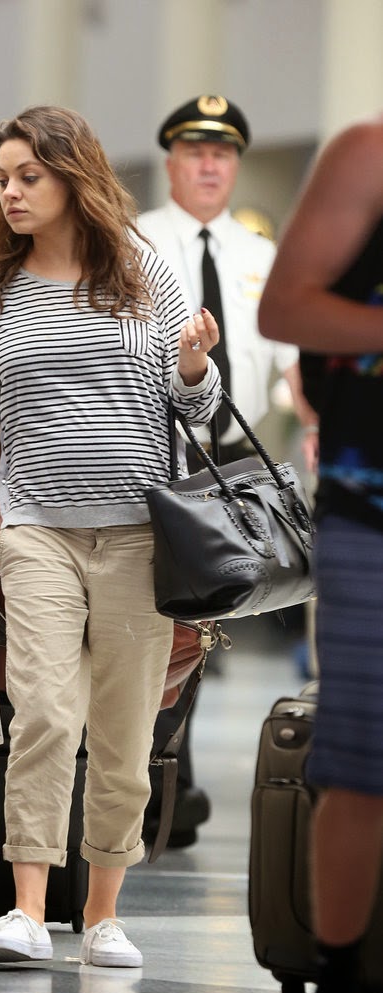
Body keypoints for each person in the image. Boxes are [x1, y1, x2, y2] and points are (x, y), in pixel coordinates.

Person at [0, 105, 222, 967]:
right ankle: (26, 909)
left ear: (72, 179)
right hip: (37, 534)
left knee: (123, 737)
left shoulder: (141, 273)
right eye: (2, 180)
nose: (8, 193)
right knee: (43, 715)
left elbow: (198, 407)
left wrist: (194, 364)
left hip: (138, 540)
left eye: (27, 177)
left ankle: (104, 916)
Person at [139, 95, 319, 848]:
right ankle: (153, 775)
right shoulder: (136, 240)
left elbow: (291, 358)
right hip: (157, 453)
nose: (210, 166)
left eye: (222, 154)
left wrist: (315, 425)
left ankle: (166, 776)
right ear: (171, 162)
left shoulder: (258, 254)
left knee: (200, 624)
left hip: (231, 467)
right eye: (196, 152)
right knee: (157, 620)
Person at [258, 114, 383, 993]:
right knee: (362, 756)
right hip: (370, 502)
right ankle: (341, 979)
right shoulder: (369, 154)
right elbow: (286, 309)